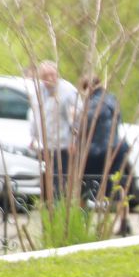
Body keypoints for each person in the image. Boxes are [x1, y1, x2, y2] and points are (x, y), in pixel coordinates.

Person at [77, 72, 132, 234]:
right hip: (117, 147)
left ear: (87, 88)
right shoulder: (112, 99)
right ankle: (124, 222)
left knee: (85, 186)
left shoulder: (94, 102)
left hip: (96, 151)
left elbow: (88, 120)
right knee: (118, 186)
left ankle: (83, 221)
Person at [29, 61, 78, 198]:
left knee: (60, 178)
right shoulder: (38, 92)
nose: (49, 78)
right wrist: (33, 137)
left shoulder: (68, 92)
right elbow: (35, 116)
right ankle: (49, 204)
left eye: (52, 75)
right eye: (45, 76)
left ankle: (59, 204)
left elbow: (75, 119)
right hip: (46, 144)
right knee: (48, 177)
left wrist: (74, 140)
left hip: (64, 144)